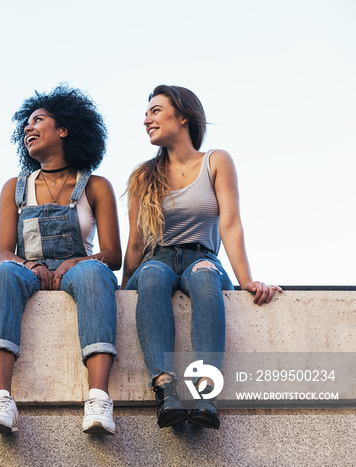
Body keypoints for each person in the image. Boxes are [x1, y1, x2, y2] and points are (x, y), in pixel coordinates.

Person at [122, 85, 282, 430]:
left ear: (183, 117)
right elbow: (135, 243)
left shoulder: (216, 160)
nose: (146, 119)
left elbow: (231, 223)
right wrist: (122, 288)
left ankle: (205, 393)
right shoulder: (142, 175)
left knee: (207, 274)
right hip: (156, 258)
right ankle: (165, 391)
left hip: (201, 256)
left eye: (155, 111)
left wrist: (246, 280)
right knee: (150, 276)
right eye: (147, 112)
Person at [0, 85, 122, 436]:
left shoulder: (96, 186)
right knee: (3, 275)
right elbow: (2, 252)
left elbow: (113, 255)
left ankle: (99, 399)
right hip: (28, 268)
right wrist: (31, 267)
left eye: (38, 121)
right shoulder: (15, 186)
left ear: (64, 130)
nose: (28, 129)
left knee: (94, 274)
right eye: (25, 125)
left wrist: (76, 262)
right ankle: (1, 399)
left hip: (78, 269)